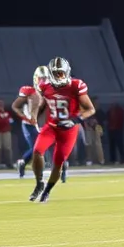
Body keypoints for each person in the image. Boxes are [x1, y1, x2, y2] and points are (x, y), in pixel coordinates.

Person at [30, 57, 95, 202]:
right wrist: (36, 116)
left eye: (61, 72)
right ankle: (39, 183)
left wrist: (74, 120)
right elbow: (42, 104)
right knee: (37, 151)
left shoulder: (76, 85)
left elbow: (90, 109)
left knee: (57, 163)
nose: (59, 76)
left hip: (69, 130)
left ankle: (47, 191)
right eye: (56, 73)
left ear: (67, 72)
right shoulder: (45, 85)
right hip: (52, 127)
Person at [12, 65, 50, 178]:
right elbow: (16, 106)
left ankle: (23, 163)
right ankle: (28, 165)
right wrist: (27, 118)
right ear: (36, 78)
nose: (43, 81)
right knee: (36, 147)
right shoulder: (28, 90)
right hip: (29, 125)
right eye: (41, 78)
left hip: (42, 124)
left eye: (45, 78)